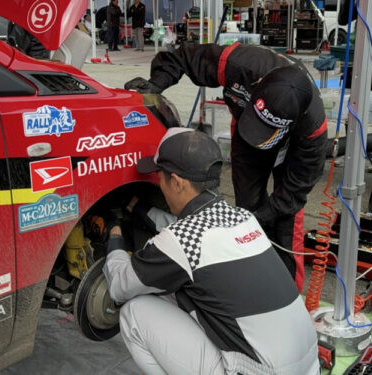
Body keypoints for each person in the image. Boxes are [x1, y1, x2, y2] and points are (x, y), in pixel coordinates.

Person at [102, 127, 320, 375]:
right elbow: (191, 234)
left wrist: (114, 231)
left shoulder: (181, 242)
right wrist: (137, 208)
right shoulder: (243, 218)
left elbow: (119, 285)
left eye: (160, 177)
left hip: (260, 371)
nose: (159, 185)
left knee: (134, 311)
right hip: (308, 365)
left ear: (176, 182)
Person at [124, 43, 328, 292]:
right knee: (247, 205)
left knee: (285, 220)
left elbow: (293, 194)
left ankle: (288, 295)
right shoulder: (238, 63)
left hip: (293, 150)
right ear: (258, 83)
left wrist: (263, 216)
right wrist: (155, 85)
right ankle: (247, 274)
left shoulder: (313, 131)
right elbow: (183, 56)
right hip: (246, 130)